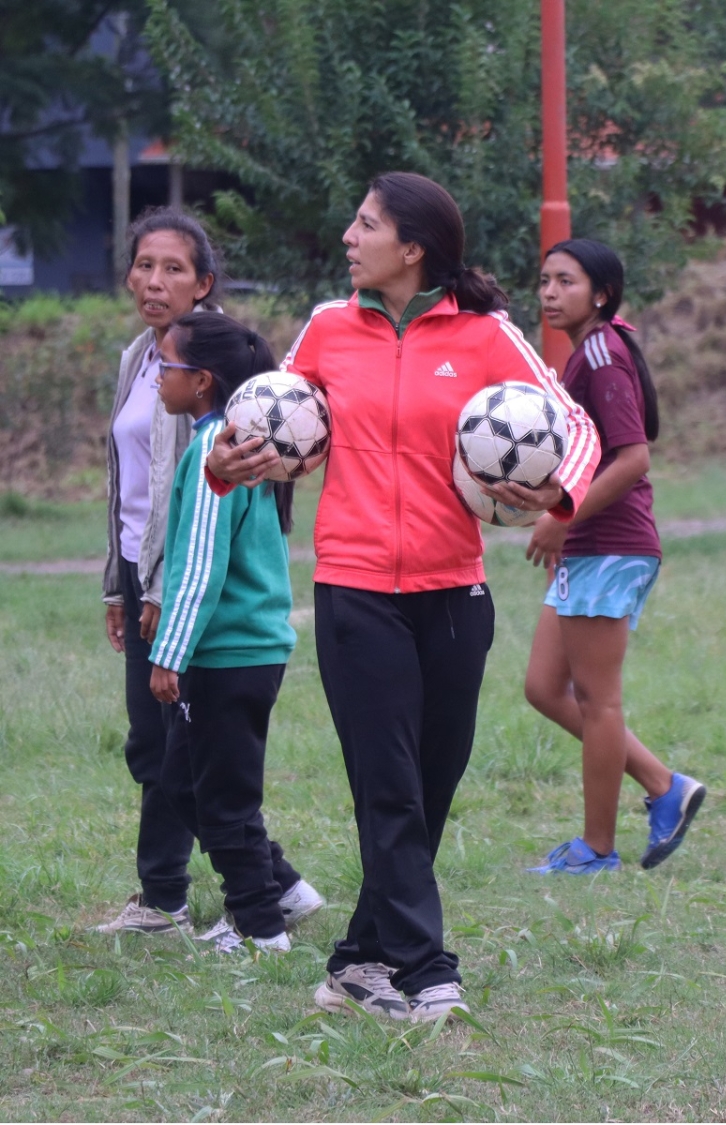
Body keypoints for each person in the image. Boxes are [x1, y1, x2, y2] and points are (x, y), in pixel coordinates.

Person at [203, 173, 600, 1019]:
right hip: (353, 591)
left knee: (429, 787)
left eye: (366, 223)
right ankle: (427, 973)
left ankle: (357, 960)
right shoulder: (326, 328)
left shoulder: (488, 335)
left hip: (455, 593)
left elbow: (579, 426)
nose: (349, 235)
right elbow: (261, 421)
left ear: (411, 248)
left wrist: (558, 494)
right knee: (387, 785)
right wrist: (224, 463)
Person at [99, 206, 319, 936]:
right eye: (144, 264)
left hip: (193, 604)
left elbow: (199, 528)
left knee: (191, 762)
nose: (153, 280)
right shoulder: (145, 357)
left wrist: (168, 613)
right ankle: (272, 887)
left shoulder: (219, 411)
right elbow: (126, 478)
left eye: (172, 267)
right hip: (150, 579)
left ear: (204, 282)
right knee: (163, 751)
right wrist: (120, 582)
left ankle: (197, 900)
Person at [523, 238, 705, 875]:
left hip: (612, 544)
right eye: (544, 280)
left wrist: (561, 517)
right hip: (591, 546)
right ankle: (664, 785)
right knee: (545, 688)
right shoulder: (591, 350)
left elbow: (634, 459)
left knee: (598, 700)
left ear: (600, 293)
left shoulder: (601, 353)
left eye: (566, 282)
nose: (549, 292)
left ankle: (596, 849)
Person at [149, 311, 321, 953]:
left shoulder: (216, 451)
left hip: (227, 653)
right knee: (185, 782)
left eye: (163, 366)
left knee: (222, 797)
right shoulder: (244, 441)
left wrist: (169, 653)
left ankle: (258, 926)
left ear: (200, 382)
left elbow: (202, 564)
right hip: (245, 649)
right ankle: (282, 887)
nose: (155, 378)